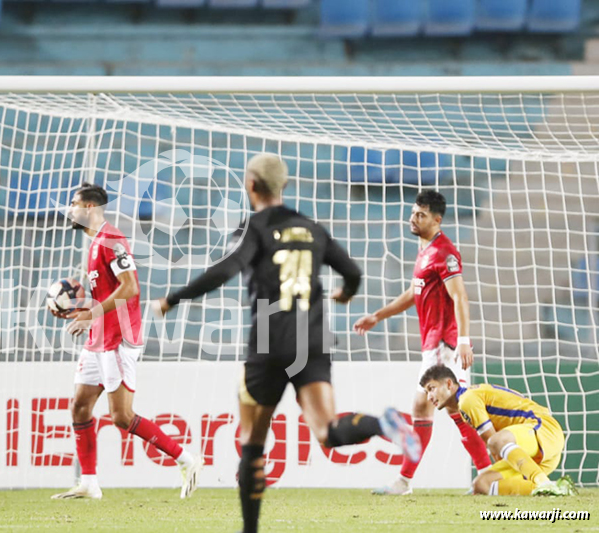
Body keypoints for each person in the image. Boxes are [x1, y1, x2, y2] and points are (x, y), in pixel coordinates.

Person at [155, 154, 420, 533]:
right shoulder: (312, 228)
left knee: (252, 443)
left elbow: (225, 270)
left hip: (268, 342)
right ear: (284, 186)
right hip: (312, 341)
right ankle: (383, 424)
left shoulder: (255, 227)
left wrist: (173, 298)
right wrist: (346, 293)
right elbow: (354, 272)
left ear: (251, 185)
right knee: (327, 430)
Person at [50, 183, 202, 500]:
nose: (70, 209)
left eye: (75, 203)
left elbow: (130, 287)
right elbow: (107, 294)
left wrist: (92, 314)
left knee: (121, 417)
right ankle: (89, 483)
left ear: (90, 208)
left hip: (119, 338)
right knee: (79, 407)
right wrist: (83, 309)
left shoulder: (112, 241)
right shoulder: (94, 243)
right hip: (98, 338)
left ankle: (185, 459)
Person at [353, 190, 491, 495]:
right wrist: (377, 316)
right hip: (433, 345)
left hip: (445, 345)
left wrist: (465, 341)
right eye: (414, 213)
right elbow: (412, 294)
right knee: (445, 411)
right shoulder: (425, 251)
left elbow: (460, 296)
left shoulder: (445, 253)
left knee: (445, 410)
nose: (414, 218)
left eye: (421, 214)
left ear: (437, 219)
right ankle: (486, 475)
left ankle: (408, 481)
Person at [420, 364, 574, 496]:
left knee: (496, 441)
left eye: (431, 388)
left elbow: (492, 440)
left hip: (543, 430)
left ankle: (542, 482)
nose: (429, 397)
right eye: (426, 392)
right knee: (481, 484)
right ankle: (555, 488)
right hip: (532, 456)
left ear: (448, 384)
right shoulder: (466, 403)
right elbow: (495, 447)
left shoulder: (467, 399)